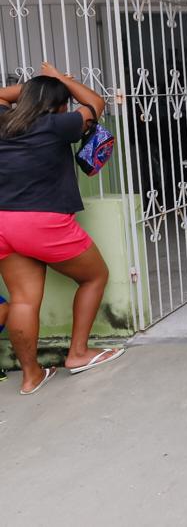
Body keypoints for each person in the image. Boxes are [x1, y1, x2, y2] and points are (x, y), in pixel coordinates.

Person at [0, 63, 124, 395]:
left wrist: (31, 91)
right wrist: (62, 80)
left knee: (23, 299)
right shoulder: (56, 124)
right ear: (59, 105)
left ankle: (31, 377)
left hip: (2, 222)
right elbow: (96, 103)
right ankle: (79, 353)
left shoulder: (3, 119)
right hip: (42, 221)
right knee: (94, 276)